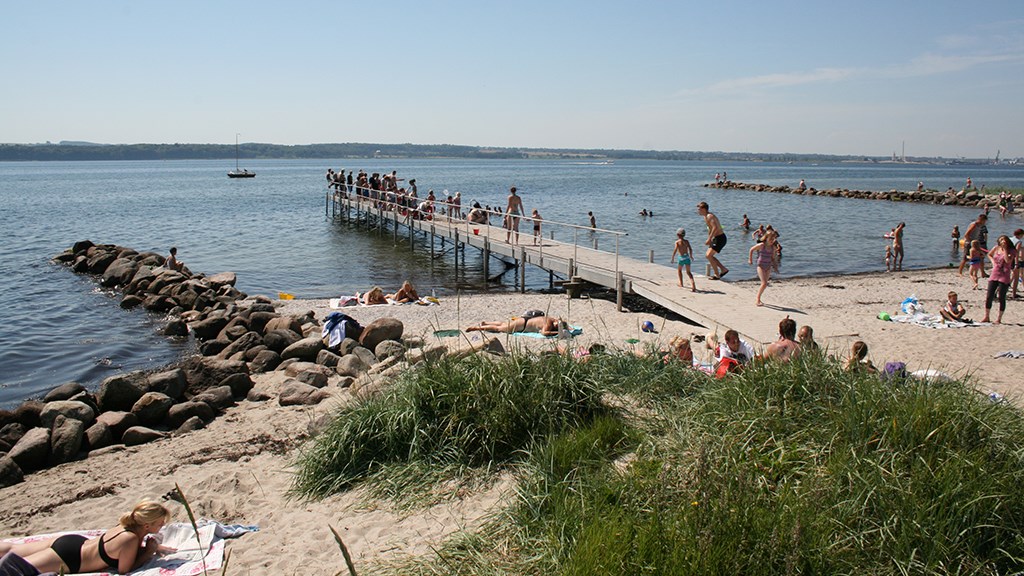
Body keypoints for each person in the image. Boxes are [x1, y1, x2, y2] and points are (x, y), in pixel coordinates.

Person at [0, 501, 173, 575]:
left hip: (73, 542)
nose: (162, 526)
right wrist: (148, 552)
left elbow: (121, 551)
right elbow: (124, 570)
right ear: (147, 526)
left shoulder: (126, 525)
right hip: (69, 558)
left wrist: (154, 547)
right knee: (14, 569)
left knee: (11, 549)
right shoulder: (130, 539)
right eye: (160, 523)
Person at [982, 235, 1017, 324]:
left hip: (1004, 274)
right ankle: (987, 316)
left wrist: (1005, 249)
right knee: (989, 296)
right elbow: (989, 254)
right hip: (995, 273)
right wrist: (993, 262)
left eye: (1004, 240)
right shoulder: (996, 248)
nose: (1002, 242)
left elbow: (1008, 261)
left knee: (1001, 297)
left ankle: (999, 318)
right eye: (1001, 240)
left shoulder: (1012, 251)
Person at [697, 201, 728, 279]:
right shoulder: (705, 217)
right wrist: (709, 239)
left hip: (720, 238)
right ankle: (723, 269)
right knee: (708, 256)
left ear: (704, 209)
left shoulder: (710, 216)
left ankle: (716, 274)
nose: (698, 210)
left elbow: (715, 227)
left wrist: (709, 238)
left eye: (699, 209)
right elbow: (710, 229)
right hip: (715, 238)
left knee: (709, 255)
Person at [748, 229, 777, 306]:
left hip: (768, 266)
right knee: (764, 283)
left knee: (765, 283)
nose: (772, 240)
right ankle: (758, 299)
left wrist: (775, 266)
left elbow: (773, 258)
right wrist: (750, 259)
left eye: (773, 239)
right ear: (766, 238)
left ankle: (759, 298)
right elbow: (751, 249)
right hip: (760, 266)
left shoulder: (773, 248)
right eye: (770, 239)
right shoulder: (761, 245)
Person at [466, 315, 566, 336]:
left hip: (524, 320)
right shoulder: (548, 324)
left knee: (504, 324)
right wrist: (558, 332)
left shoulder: (551, 318)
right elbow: (545, 333)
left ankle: (486, 323)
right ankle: (476, 328)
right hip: (522, 326)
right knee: (499, 328)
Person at [1012, 229, 1024, 299]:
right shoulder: (1019, 241)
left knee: (1011, 277)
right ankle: (1014, 294)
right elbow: (1016, 253)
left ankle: (997, 291)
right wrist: (1016, 263)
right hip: (1014, 260)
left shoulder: (1010, 239)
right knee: (1016, 278)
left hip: (1008, 258)